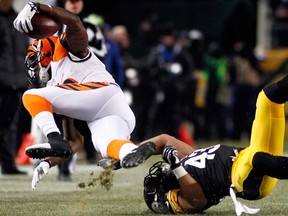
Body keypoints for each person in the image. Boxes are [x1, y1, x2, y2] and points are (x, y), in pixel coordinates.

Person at [13, 2, 155, 172]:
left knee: (31, 96)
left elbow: (74, 21)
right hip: (110, 112)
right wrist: (48, 162)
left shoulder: (66, 47)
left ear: (43, 53)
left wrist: (37, 7)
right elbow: (73, 141)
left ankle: (52, 137)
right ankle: (130, 151)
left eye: (33, 58)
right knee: (107, 146)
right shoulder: (56, 86)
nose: (33, 67)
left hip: (103, 92)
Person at [125, 74, 288, 215]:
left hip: (247, 155)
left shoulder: (186, 161)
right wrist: (177, 167)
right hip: (246, 179)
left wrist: (129, 153)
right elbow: (196, 200)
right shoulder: (183, 194)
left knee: (268, 97)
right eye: (156, 183)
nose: (159, 177)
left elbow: (164, 139)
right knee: (256, 159)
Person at [0, 0, 29, 175]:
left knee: (10, 125)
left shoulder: (18, 20)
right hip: (2, 80)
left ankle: (8, 164)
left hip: (15, 82)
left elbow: (25, 51)